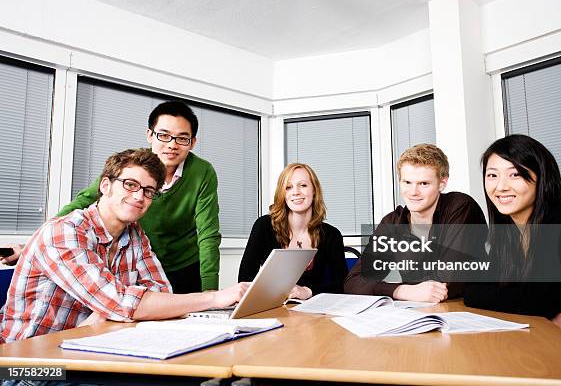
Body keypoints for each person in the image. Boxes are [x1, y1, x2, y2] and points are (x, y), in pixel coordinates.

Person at [0, 149, 247, 344]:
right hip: (30, 363)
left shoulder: (135, 236)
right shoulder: (64, 232)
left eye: (149, 191)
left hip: (93, 346)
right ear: (105, 186)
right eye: (130, 185)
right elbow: (123, 304)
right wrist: (213, 297)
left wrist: (117, 309)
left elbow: (161, 298)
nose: (139, 197)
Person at [2, 101, 221, 294]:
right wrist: (35, 244)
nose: (172, 144)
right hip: (140, 261)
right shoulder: (132, 165)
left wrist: (210, 288)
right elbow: (82, 201)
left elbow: (208, 232)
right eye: (163, 135)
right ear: (149, 135)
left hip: (184, 265)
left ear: (192, 142)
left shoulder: (203, 172)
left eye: (182, 138)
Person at [464, 134, 561, 358]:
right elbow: (478, 287)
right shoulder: (508, 225)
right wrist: (543, 308)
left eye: (514, 174)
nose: (501, 186)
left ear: (541, 176)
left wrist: (542, 307)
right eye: (492, 175)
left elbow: (538, 299)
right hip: (547, 336)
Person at [345, 144, 487, 303]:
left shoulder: (461, 207)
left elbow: (447, 280)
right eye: (407, 182)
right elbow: (353, 282)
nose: (413, 192)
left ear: (442, 183)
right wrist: (400, 290)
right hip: (420, 313)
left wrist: (393, 289)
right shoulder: (392, 223)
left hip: (473, 309)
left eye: (423, 184)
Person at [238, 163, 347, 300]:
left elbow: (343, 284)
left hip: (313, 314)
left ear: (314, 190)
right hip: (271, 308)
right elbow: (244, 280)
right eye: (288, 187)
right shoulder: (264, 226)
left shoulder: (331, 235)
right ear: (283, 194)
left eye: (303, 185)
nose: (296, 192)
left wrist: (308, 291)